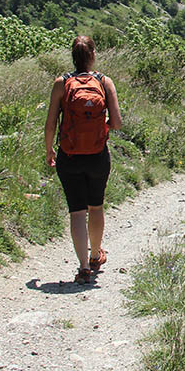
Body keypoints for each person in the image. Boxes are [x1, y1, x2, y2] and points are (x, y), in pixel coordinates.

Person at [44, 36, 122, 285]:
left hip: (69, 155)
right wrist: (100, 130)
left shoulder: (61, 83)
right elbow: (118, 123)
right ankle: (96, 255)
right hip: (97, 155)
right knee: (96, 206)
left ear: (72, 56)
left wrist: (49, 150)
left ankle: (82, 267)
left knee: (77, 212)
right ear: (93, 55)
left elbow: (50, 124)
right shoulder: (104, 81)